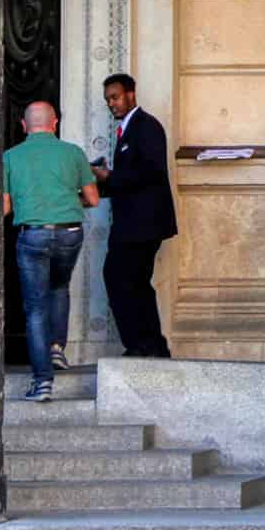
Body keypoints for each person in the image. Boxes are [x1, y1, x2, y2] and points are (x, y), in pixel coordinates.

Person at [3, 101, 99, 402]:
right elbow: (93, 199)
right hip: (70, 232)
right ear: (55, 123)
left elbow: (5, 207)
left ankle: (43, 382)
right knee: (59, 287)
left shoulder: (10, 157)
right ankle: (57, 348)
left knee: (35, 308)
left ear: (23, 125)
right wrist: (67, 205)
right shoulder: (73, 153)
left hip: (33, 236)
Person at [94, 73, 177, 358]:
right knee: (136, 282)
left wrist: (109, 176)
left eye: (115, 97)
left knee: (119, 277)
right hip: (134, 224)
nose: (112, 104)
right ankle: (151, 345)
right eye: (108, 100)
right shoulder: (130, 130)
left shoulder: (146, 127)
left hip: (141, 225)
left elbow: (150, 172)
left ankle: (141, 344)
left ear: (131, 94)